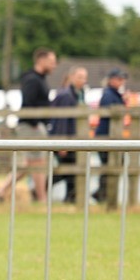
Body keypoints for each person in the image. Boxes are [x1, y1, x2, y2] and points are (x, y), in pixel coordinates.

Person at [0, 48, 56, 203]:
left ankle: (0, 192)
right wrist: (35, 123)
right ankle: (42, 199)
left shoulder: (38, 78)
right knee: (37, 162)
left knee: (29, 164)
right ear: (41, 60)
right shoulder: (32, 79)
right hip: (30, 125)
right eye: (51, 61)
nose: (54, 65)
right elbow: (28, 103)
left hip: (34, 125)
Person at [48, 66, 86, 203]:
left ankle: (70, 197)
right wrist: (62, 143)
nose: (83, 80)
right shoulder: (66, 95)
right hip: (66, 139)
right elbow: (61, 120)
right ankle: (44, 189)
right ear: (71, 77)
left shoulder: (77, 94)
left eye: (84, 77)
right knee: (68, 170)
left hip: (73, 139)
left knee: (70, 171)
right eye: (80, 77)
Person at [92, 67, 129, 204]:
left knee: (111, 165)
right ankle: (102, 194)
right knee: (110, 165)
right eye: (119, 79)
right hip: (106, 136)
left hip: (109, 136)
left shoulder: (112, 94)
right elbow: (113, 113)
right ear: (111, 80)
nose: (122, 82)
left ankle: (102, 193)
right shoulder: (109, 94)